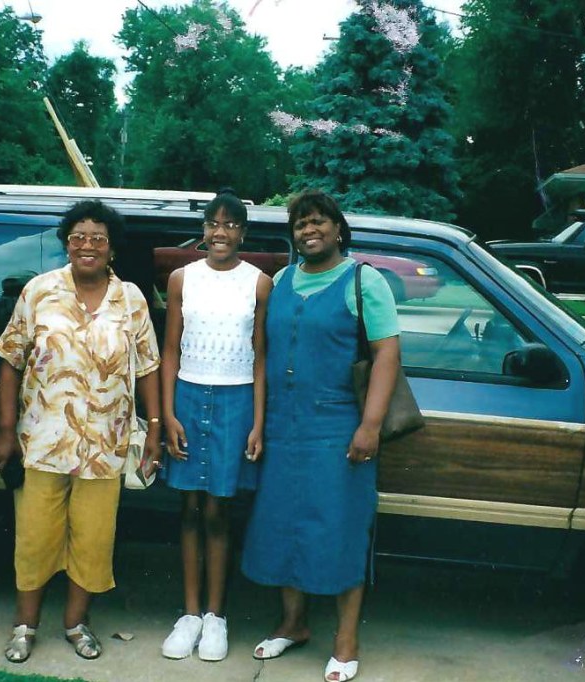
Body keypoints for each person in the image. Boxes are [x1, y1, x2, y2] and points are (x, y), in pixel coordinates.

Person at [0, 200, 162, 664]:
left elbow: (148, 368)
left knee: (92, 539)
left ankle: (75, 624)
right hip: (42, 442)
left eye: (98, 238)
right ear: (67, 243)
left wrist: (156, 431)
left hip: (106, 445)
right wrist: (5, 429)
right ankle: (25, 626)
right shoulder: (39, 292)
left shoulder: (131, 299)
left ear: (111, 249)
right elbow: (9, 361)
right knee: (35, 537)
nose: (88, 245)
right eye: (79, 237)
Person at [241, 190, 400, 682]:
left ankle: (345, 640)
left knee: (339, 532)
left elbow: (387, 355)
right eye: (300, 224)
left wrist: (369, 425)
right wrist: (260, 424)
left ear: (338, 229)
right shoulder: (283, 280)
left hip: (338, 430)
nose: (309, 231)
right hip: (285, 428)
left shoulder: (363, 281)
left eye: (319, 222)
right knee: (283, 526)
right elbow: (263, 354)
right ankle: (293, 624)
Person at [159, 189, 272, 662]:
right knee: (188, 509)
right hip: (188, 395)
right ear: (203, 229)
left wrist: (259, 423)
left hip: (237, 400)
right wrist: (166, 415)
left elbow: (262, 356)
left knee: (219, 512)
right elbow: (169, 351)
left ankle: (215, 616)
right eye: (212, 223)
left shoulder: (260, 282)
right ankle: (188, 614)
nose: (219, 232)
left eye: (229, 225)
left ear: (243, 232)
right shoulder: (181, 278)